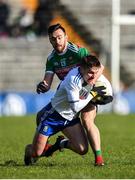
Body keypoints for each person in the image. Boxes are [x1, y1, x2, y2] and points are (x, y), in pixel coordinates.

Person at [36, 23, 105, 166]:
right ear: (49, 40)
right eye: (53, 39)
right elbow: (47, 82)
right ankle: (55, 144)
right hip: (69, 97)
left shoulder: (78, 52)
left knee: (87, 120)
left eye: (60, 37)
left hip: (87, 92)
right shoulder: (51, 59)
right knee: (39, 116)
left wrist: (91, 85)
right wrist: (43, 86)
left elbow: (99, 67)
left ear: (66, 37)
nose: (57, 41)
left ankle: (99, 158)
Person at [24, 55, 113, 166]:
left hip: (70, 119)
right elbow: (75, 107)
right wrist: (92, 94)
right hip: (53, 116)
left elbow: (100, 70)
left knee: (82, 149)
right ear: (82, 68)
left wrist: (105, 93)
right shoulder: (73, 79)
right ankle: (29, 150)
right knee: (37, 153)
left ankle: (60, 144)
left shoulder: (89, 74)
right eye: (91, 72)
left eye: (96, 72)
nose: (94, 76)